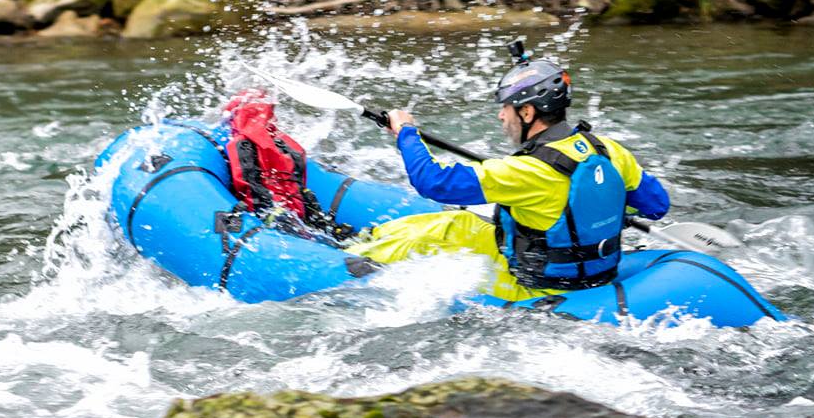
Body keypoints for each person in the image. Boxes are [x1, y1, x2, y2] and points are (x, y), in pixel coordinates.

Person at [348, 41, 671, 302]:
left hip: (537, 288)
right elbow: (656, 206)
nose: (502, 117)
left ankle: (351, 258)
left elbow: (432, 181)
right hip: (599, 274)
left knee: (450, 227)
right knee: (461, 222)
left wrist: (406, 132)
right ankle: (366, 242)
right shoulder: (609, 150)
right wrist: (604, 210)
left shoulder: (525, 171)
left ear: (528, 112)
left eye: (506, 108)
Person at [221, 90, 354, 242]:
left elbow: (247, 186)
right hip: (296, 211)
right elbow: (299, 181)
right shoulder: (283, 142)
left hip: (275, 215)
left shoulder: (241, 144)